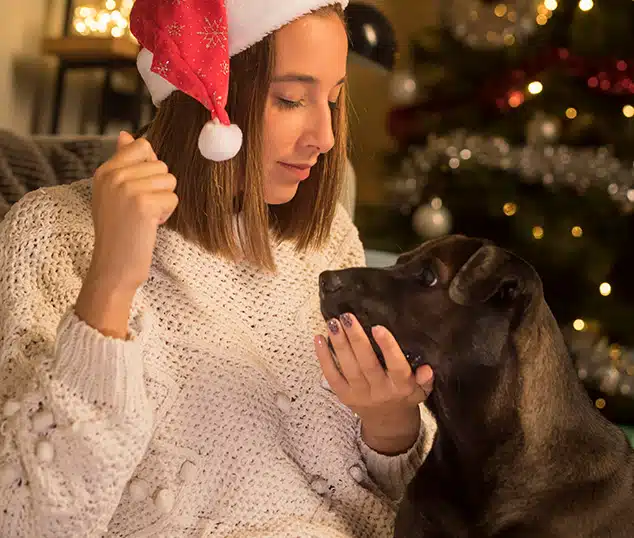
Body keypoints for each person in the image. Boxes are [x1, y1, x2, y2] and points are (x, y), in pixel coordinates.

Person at [0, 0, 436, 535]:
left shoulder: (328, 243)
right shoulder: (53, 235)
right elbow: (28, 518)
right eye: (291, 99)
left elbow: (409, 495)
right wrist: (111, 284)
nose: (324, 137)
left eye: (334, 100)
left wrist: (390, 424)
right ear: (204, 101)